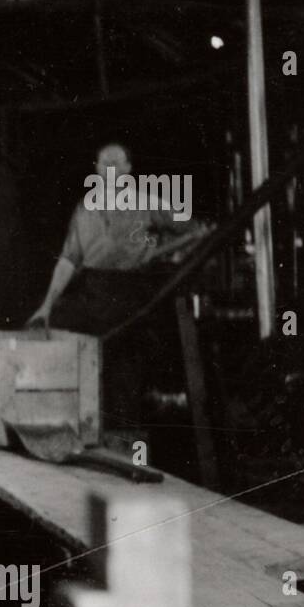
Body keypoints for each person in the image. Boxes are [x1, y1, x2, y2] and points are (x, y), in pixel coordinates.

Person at [28, 140, 209, 445]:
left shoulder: (147, 202)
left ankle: (124, 445)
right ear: (97, 170)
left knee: (121, 366)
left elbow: (197, 230)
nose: (109, 170)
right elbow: (69, 259)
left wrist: (162, 253)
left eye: (116, 164)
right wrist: (46, 306)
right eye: (103, 165)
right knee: (59, 331)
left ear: (127, 169)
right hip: (93, 288)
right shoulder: (85, 208)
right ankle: (66, 432)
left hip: (130, 291)